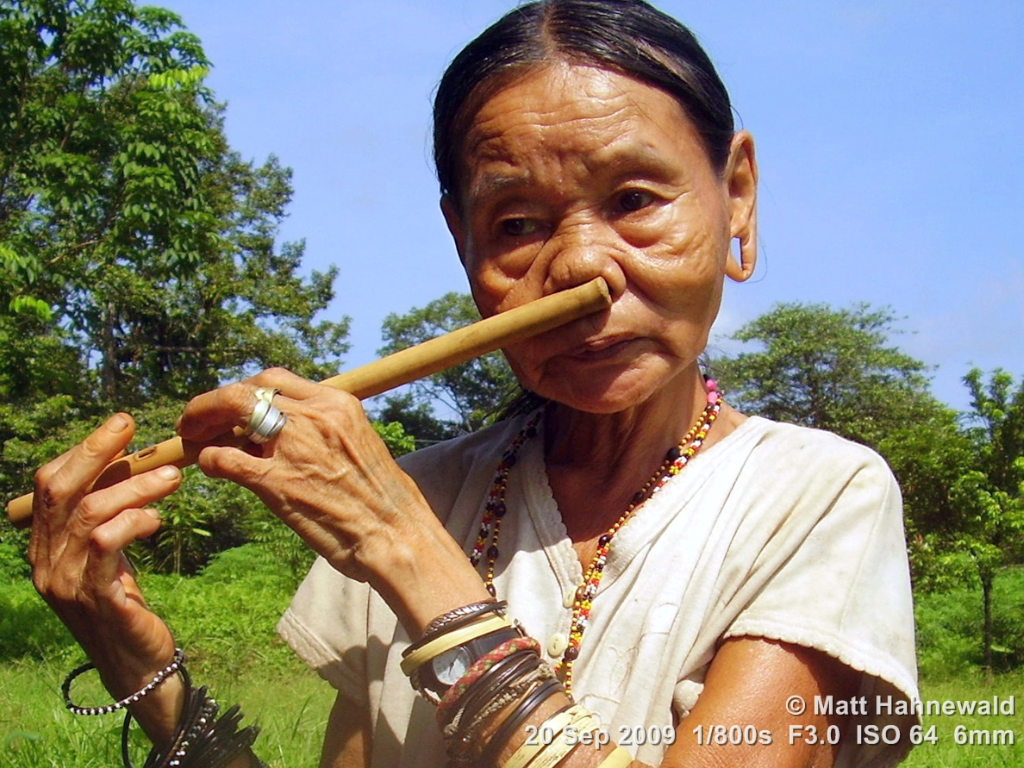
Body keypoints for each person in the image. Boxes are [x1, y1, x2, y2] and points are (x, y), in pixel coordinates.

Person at [28, 1, 919, 767]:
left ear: (738, 198)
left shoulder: (823, 495)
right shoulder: (429, 491)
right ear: (463, 243)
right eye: (518, 222)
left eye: (636, 200)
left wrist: (399, 543)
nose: (580, 268)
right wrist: (138, 664)